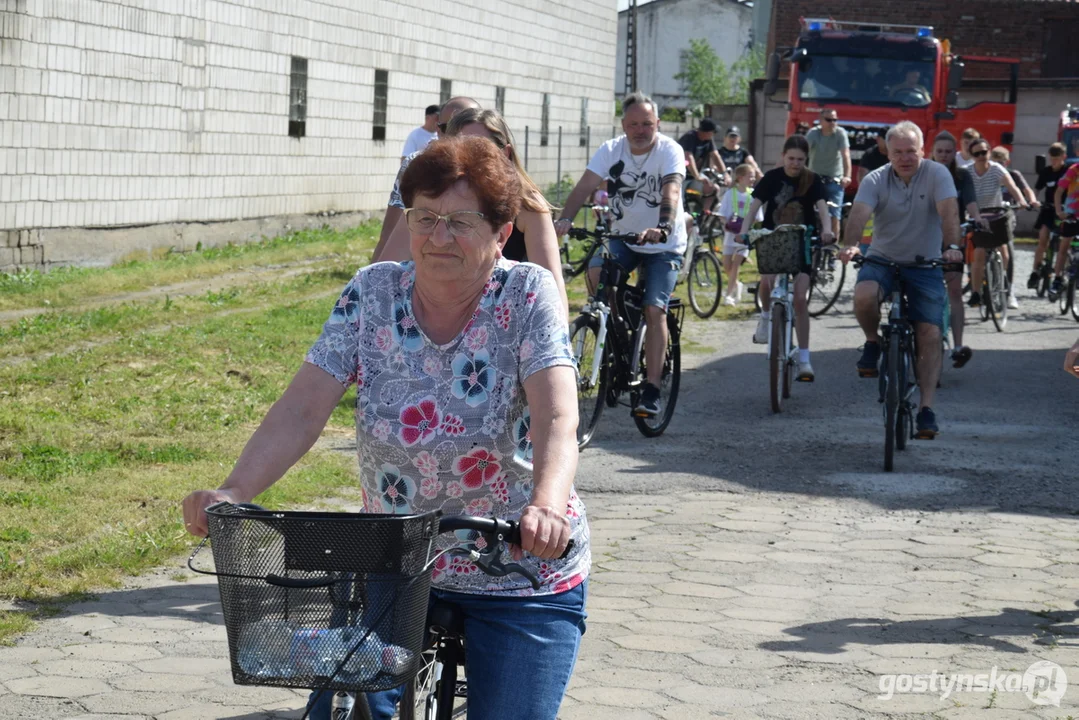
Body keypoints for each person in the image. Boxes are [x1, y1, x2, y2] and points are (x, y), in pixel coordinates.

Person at [181, 136, 589, 720]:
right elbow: (302, 408)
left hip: (518, 568)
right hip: (402, 559)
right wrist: (235, 490)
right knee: (333, 712)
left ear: (501, 234)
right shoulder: (372, 293)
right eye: (425, 217)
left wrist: (547, 506)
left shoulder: (526, 293)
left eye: (460, 222)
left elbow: (556, 412)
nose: (437, 236)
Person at [554, 91, 687, 417]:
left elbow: (671, 188)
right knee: (596, 274)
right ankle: (615, 337)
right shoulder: (611, 150)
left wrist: (664, 226)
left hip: (663, 244)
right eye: (633, 124)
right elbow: (584, 187)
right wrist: (564, 220)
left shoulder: (669, 150)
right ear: (624, 125)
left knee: (654, 310)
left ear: (657, 123)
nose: (640, 129)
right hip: (624, 238)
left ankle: (652, 388)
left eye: (647, 123)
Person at [377, 104, 569, 315]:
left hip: (503, 321)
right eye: (458, 147)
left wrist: (556, 338)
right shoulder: (429, 203)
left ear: (505, 154)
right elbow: (384, 273)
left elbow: (553, 288)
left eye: (480, 150)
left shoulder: (529, 206)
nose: (468, 160)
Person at [840, 121, 963, 439]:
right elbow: (859, 213)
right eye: (898, 152)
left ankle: (926, 409)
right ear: (888, 152)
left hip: (925, 264)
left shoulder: (938, 174)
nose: (905, 157)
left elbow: (949, 211)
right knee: (864, 294)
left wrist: (951, 248)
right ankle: (871, 341)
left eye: (911, 151)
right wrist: (851, 243)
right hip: (882, 259)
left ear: (923, 150)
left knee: (930, 332)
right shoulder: (875, 178)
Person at [739, 134, 835, 382]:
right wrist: (744, 231)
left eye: (800, 159)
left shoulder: (812, 180)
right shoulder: (772, 178)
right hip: (774, 238)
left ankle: (804, 359)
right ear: (783, 156)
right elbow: (754, 205)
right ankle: (765, 317)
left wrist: (827, 230)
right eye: (791, 158)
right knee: (767, 282)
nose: (795, 163)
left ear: (806, 159)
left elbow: (823, 208)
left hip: (802, 241)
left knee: (801, 299)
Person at [373, 97, 482, 264]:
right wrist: (371, 281)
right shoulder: (417, 165)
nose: (459, 135)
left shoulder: (492, 175)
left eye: (467, 126)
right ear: (438, 130)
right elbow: (390, 233)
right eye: (449, 127)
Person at [931, 131, 985, 369]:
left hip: (952, 240)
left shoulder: (962, 176)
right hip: (923, 239)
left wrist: (977, 218)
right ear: (933, 152)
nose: (943, 155)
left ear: (955, 153)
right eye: (939, 151)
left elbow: (971, 202)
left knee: (954, 291)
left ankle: (957, 346)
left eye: (948, 151)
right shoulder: (923, 172)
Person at [966, 138, 1030, 309]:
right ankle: (976, 293)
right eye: (976, 153)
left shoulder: (996, 169)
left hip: (996, 215)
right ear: (972, 156)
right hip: (977, 216)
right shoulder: (966, 172)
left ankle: (1006, 288)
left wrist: (1021, 201)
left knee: (1005, 252)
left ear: (989, 152)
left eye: (984, 152)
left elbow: (1012, 187)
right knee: (978, 254)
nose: (981, 156)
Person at [718, 164, 763, 306]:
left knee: (736, 265)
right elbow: (722, 214)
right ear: (740, 178)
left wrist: (747, 227)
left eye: (754, 176)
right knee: (727, 266)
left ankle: (728, 295)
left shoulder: (754, 194)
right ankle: (737, 284)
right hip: (730, 235)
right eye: (750, 176)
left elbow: (758, 217)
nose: (753, 179)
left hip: (745, 237)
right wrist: (727, 224)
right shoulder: (730, 194)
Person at [806, 108, 852, 241]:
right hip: (815, 178)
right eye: (829, 120)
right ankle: (810, 246)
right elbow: (804, 152)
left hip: (834, 179)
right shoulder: (813, 134)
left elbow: (846, 155)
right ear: (820, 121)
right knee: (810, 212)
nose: (832, 123)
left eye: (835, 120)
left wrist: (847, 176)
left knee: (834, 216)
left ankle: (832, 251)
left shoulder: (840, 133)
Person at [1029, 143, 1070, 290]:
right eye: (1051, 159)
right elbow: (1037, 189)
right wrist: (1034, 201)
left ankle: (1063, 271)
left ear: (1063, 157)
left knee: (1065, 242)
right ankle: (1035, 271)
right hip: (1048, 209)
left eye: (1056, 159)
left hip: (1065, 210)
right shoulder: (1046, 172)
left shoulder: (1068, 171)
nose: (1053, 162)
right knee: (1043, 239)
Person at [678, 118, 726, 214]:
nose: (714, 134)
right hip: (681, 176)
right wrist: (697, 177)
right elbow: (688, 158)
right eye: (713, 132)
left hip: (695, 176)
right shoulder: (690, 137)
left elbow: (716, 156)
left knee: (713, 188)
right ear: (707, 132)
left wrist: (725, 174)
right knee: (679, 201)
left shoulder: (708, 140)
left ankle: (704, 213)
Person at [856, 128, 891, 253]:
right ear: (878, 140)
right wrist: (867, 195)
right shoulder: (870, 154)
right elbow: (862, 175)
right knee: (867, 229)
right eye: (885, 139)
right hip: (872, 196)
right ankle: (864, 253)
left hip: (891, 197)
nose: (888, 143)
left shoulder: (895, 154)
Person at [1050, 159, 1079, 300]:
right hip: (1072, 213)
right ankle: (1057, 279)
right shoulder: (1074, 170)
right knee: (1064, 245)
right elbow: (1059, 191)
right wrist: (1059, 211)